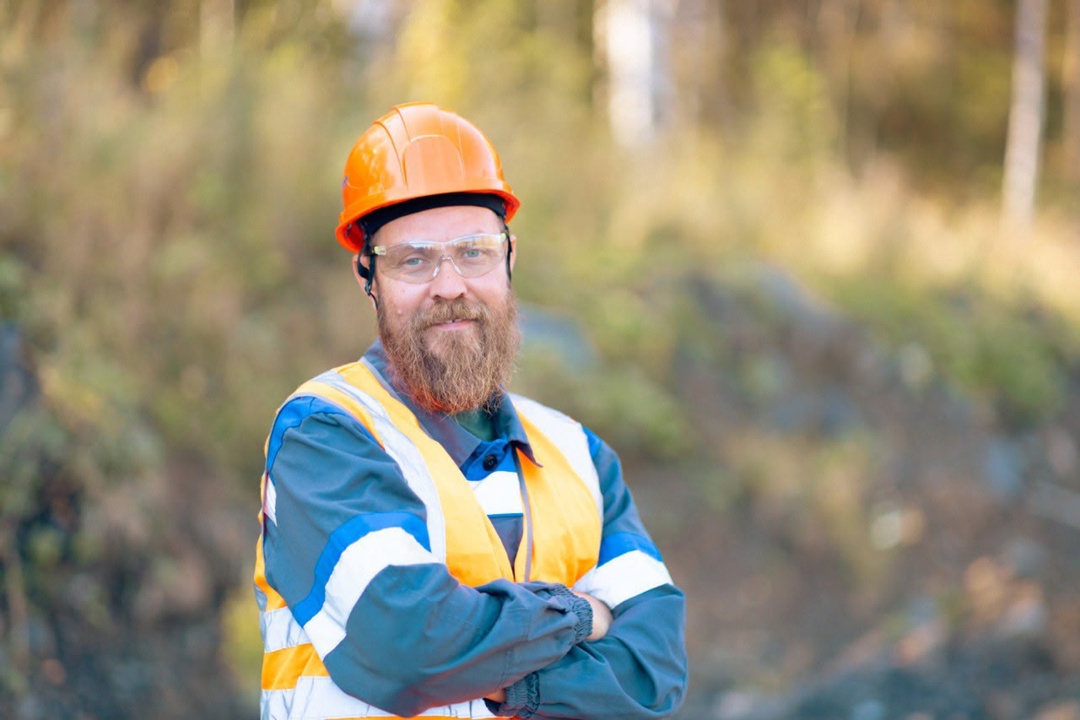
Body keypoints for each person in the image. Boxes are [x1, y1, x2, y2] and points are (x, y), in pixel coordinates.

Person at [253, 101, 687, 720]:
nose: (449, 285)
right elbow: (409, 645)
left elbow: (655, 671)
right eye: (413, 260)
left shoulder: (580, 456)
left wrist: (501, 676)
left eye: (474, 252)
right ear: (366, 277)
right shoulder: (324, 436)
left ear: (509, 258)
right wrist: (583, 614)